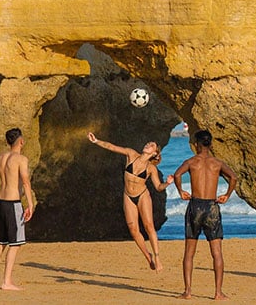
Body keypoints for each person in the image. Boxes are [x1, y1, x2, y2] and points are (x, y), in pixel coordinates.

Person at [87, 132, 173, 271]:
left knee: (149, 226)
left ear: (155, 153)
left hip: (142, 196)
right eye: (148, 143)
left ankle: (157, 257)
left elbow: (158, 187)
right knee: (133, 230)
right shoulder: (131, 154)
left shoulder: (151, 168)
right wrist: (96, 141)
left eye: (152, 145)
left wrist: (168, 183)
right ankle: (148, 256)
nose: (148, 145)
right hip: (128, 195)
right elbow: (112, 147)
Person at [173, 129, 238, 301]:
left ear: (196, 144)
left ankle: (187, 292)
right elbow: (233, 177)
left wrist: (180, 191)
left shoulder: (191, 161)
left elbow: (177, 174)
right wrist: (227, 195)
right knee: (216, 252)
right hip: (211, 207)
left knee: (189, 253)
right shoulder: (217, 163)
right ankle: (218, 293)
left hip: (195, 206)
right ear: (211, 144)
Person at [0, 127, 36, 291]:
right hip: (13, 204)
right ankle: (7, 281)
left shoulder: (1, 158)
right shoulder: (21, 159)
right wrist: (30, 204)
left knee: (1, 241)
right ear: (21, 141)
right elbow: (26, 182)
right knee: (15, 243)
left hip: (2, 203)